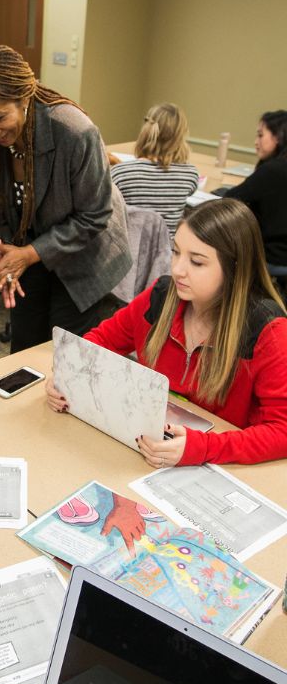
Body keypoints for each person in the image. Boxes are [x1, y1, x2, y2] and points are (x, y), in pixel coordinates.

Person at [46, 198, 287, 467]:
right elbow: (96, 343)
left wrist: (204, 447)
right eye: (175, 252)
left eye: (197, 262)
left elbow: (282, 430)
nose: (177, 270)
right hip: (149, 450)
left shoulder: (268, 330)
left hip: (221, 464)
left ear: (235, 268)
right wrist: (67, 375)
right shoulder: (160, 298)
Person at [0, 44, 131, 352]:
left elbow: (94, 216)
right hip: (31, 245)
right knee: (24, 348)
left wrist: (29, 254)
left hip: (86, 252)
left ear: (24, 98)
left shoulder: (73, 131)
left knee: (66, 354)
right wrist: (6, 250)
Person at [110, 102, 199, 239]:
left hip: (130, 252)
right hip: (168, 254)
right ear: (181, 137)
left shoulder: (120, 174)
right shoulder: (190, 175)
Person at [225, 110, 287, 267]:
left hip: (272, 257)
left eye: (260, 135)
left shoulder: (273, 170)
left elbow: (230, 198)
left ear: (278, 137)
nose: (255, 142)